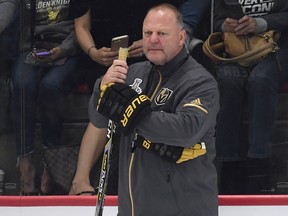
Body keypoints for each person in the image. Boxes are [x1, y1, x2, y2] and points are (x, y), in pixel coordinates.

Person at [77, 3, 219, 215]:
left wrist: (131, 114)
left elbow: (187, 129)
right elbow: (99, 120)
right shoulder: (132, 73)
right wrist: (102, 88)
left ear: (181, 38)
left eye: (162, 33)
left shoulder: (200, 82)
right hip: (133, 209)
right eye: (148, 33)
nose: (153, 39)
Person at [214, 0, 288, 194]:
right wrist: (225, 25)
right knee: (228, 82)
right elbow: (213, 21)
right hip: (237, 50)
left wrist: (262, 23)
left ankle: (260, 160)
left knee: (261, 79)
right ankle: (227, 162)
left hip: (278, 48)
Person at [12, 0, 80, 195]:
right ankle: (25, 162)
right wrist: (27, 48)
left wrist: (63, 50)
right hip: (33, 46)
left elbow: (84, 27)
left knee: (51, 86)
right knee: (23, 85)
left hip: (68, 46)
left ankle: (50, 164)